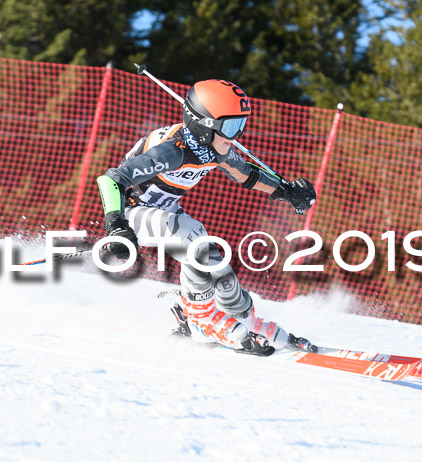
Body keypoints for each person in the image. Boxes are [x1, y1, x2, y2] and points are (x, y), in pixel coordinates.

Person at [96, 79, 317, 356]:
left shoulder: (215, 148)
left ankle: (241, 317)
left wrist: (287, 192)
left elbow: (248, 175)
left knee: (215, 261)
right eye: (230, 127)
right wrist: (116, 226)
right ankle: (201, 320)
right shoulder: (174, 150)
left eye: (240, 125)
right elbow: (111, 180)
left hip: (164, 212)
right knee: (193, 234)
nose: (236, 136)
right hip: (130, 212)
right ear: (204, 124)